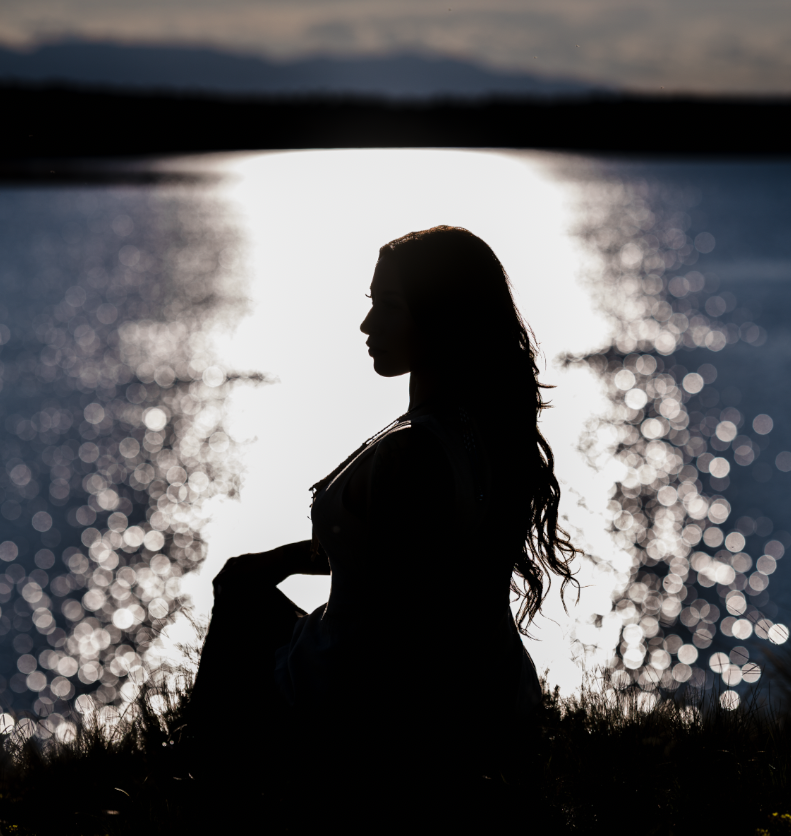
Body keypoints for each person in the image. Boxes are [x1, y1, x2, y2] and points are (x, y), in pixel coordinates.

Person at [185, 226, 577, 812]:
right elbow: (418, 556)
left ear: (440, 317)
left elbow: (401, 619)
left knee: (239, 593)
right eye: (371, 305)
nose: (368, 326)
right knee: (246, 577)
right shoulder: (482, 430)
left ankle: (214, 794)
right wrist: (286, 559)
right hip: (494, 684)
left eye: (389, 307)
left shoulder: (414, 453)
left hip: (389, 701)